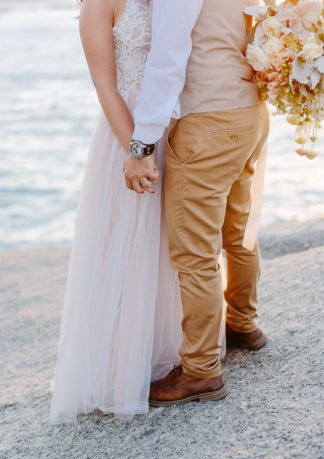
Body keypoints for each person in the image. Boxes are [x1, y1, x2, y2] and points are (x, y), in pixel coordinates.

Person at [50, 0, 226, 423]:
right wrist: (138, 150)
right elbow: (106, 87)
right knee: (126, 246)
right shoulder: (98, 3)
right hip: (127, 136)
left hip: (172, 128)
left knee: (171, 244)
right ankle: (121, 368)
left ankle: (174, 352)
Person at [124, 0, 270, 407]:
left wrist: (142, 141)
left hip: (208, 120)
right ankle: (243, 324)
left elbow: (167, 58)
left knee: (195, 253)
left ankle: (200, 371)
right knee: (238, 230)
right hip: (252, 111)